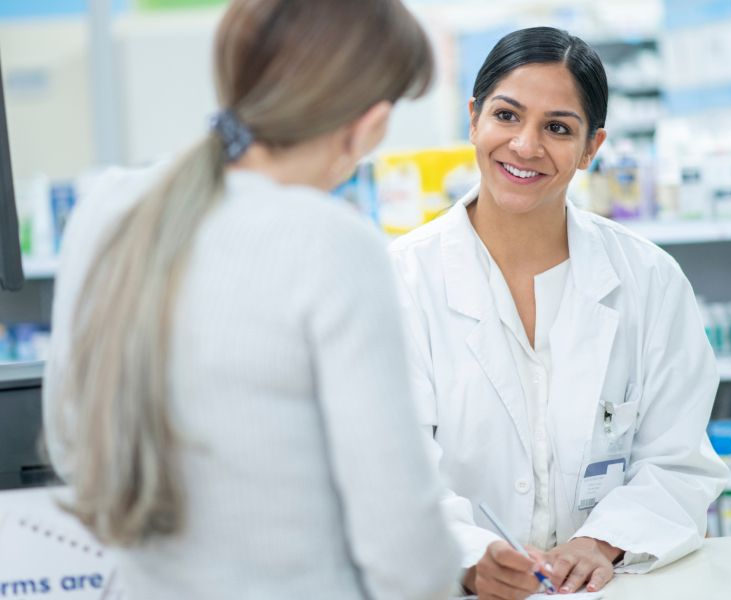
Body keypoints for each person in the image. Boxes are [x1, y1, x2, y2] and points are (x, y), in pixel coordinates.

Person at [42, 1, 459, 598]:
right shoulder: (331, 244)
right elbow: (404, 544)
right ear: (369, 124)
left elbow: (69, 441)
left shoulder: (107, 207)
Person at [388, 27, 730, 599]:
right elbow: (390, 469)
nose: (525, 146)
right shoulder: (401, 280)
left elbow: (679, 461)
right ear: (474, 119)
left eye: (557, 128)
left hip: (608, 587)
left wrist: (601, 541)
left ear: (591, 148)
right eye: (506, 115)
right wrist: (471, 558)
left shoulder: (648, 280)